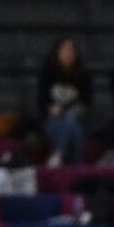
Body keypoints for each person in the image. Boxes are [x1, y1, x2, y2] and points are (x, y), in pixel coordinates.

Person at [37, 36, 92, 164]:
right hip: (53, 121)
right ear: (57, 53)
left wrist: (76, 109)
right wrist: (50, 108)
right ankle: (78, 163)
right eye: (65, 50)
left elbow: (87, 102)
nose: (68, 54)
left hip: (77, 118)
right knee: (73, 129)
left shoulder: (83, 75)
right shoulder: (47, 74)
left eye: (71, 51)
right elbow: (41, 101)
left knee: (71, 118)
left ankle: (60, 152)